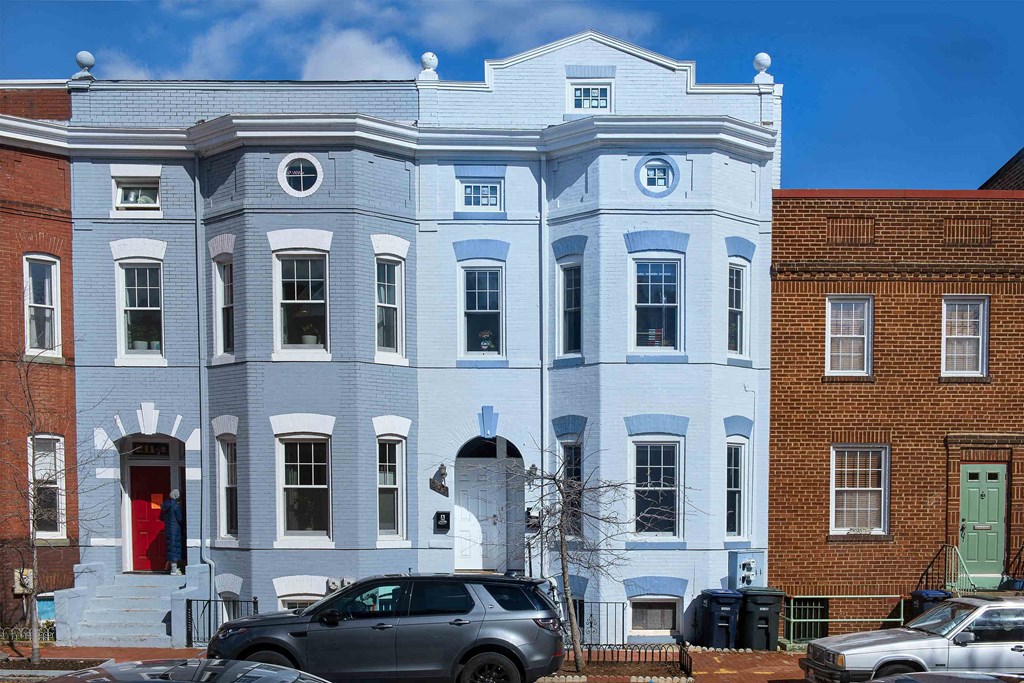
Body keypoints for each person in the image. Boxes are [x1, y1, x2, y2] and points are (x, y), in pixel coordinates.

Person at [160, 489, 184, 576]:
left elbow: (161, 518)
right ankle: (174, 569)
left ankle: (171, 566)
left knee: (171, 548)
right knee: (175, 549)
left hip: (168, 530)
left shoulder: (165, 505)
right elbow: (180, 519)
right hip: (176, 530)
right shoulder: (176, 506)